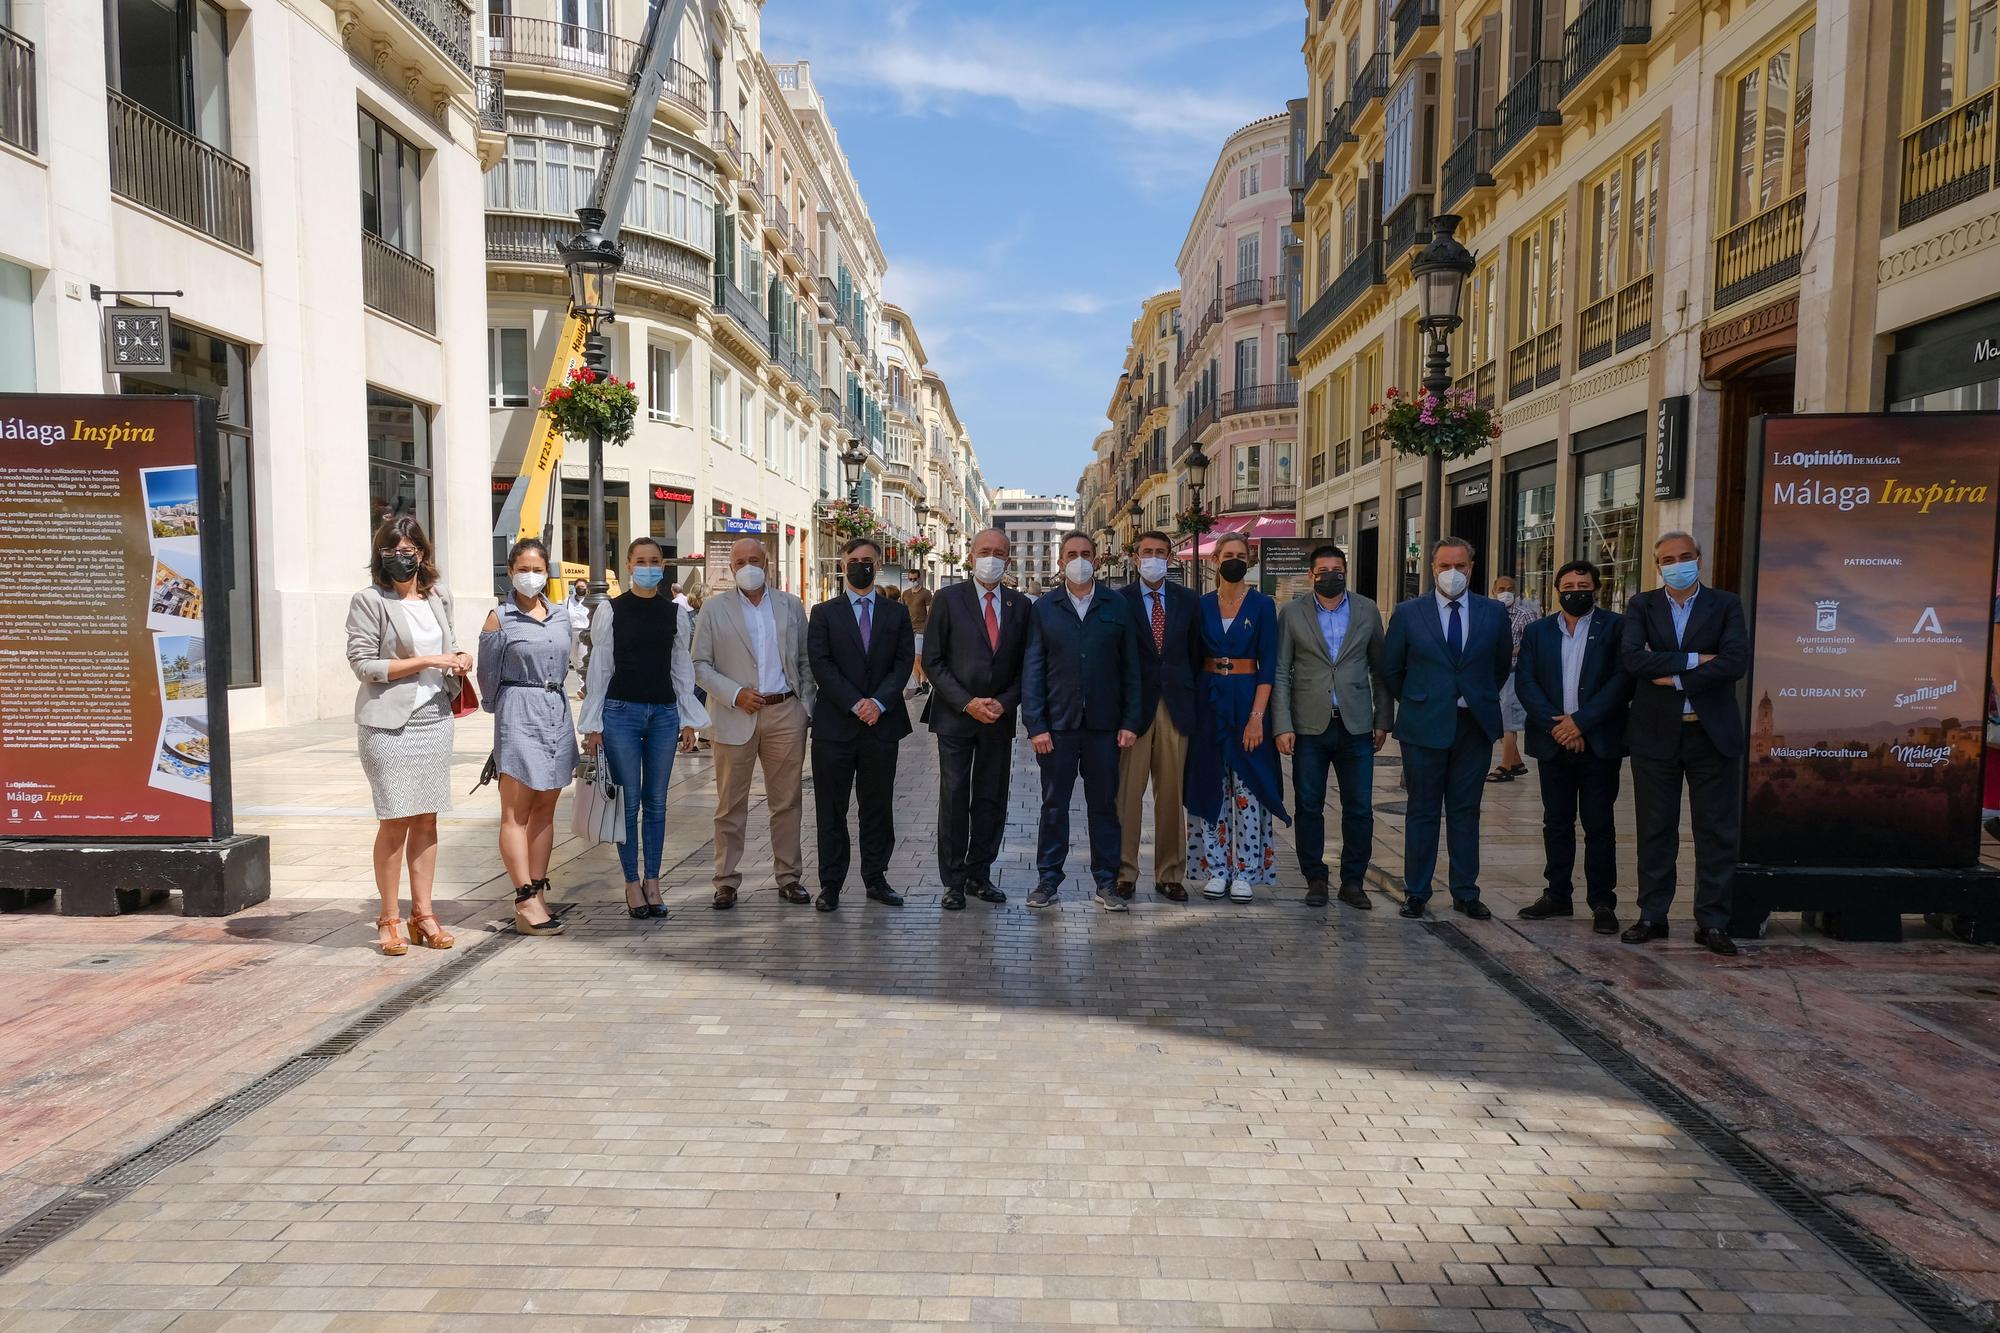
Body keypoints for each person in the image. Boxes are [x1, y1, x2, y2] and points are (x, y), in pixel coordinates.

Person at [1619, 531, 1750, 955]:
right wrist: (1698, 659)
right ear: (1658, 566)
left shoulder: (1726, 604)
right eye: (1669, 559)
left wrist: (1674, 675)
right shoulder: (1642, 605)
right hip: (1656, 734)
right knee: (1655, 829)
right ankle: (1652, 915)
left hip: (1711, 734)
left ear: (1700, 558)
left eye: (1686, 556)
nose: (1679, 564)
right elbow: (1633, 660)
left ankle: (1712, 921)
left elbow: (1735, 662)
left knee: (1716, 831)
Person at [345, 515, 470, 955]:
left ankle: (424, 914)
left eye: (408, 550)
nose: (400, 558)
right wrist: (427, 661)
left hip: (434, 719)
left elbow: (449, 644)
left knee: (427, 818)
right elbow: (364, 665)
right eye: (391, 551)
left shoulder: (439, 596)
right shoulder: (369, 600)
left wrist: (458, 658)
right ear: (381, 556)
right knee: (394, 820)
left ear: (422, 552)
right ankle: (388, 917)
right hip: (387, 724)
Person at [1381, 536, 1514, 920]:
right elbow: (1392, 668)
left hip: (1474, 725)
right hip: (1424, 726)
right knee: (1422, 811)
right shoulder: (1409, 612)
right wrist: (1421, 699)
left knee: (1465, 811)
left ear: (1471, 568)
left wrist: (1477, 696)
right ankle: (1417, 891)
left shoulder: (1492, 613)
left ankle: (1465, 891)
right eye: (1444, 566)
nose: (1452, 573)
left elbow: (1500, 665)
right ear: (1433, 568)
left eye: (1461, 566)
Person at [579, 538, 708, 921]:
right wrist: (593, 723)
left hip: (665, 713)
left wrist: (689, 717)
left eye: (655, 561)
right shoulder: (611, 610)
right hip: (620, 712)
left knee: (656, 803)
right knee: (628, 802)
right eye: (641, 561)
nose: (648, 566)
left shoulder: (674, 613)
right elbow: (600, 668)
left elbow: (681, 668)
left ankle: (654, 881)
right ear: (629, 565)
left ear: (663, 565)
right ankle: (632, 882)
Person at [691, 537, 815, 910]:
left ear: (768, 563)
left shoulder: (792, 607)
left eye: (755, 560)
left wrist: (806, 707)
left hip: (785, 714)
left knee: (787, 802)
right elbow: (698, 665)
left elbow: (807, 661)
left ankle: (789, 877)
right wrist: (734, 693)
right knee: (730, 804)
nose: (748, 566)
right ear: (731, 569)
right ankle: (725, 881)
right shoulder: (714, 609)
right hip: (734, 714)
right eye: (741, 561)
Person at [1021, 531, 1142, 911]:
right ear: (1060, 562)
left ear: (1097, 560)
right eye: (1072, 554)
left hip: (1105, 727)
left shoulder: (1116, 605)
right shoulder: (1044, 608)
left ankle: (1107, 881)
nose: (1079, 559)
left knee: (1104, 806)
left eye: (1085, 553)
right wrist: (1036, 725)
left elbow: (1131, 669)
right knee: (1054, 805)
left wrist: (1130, 721)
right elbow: (1033, 670)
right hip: (1057, 726)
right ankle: (1048, 880)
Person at [1514, 560, 1633, 934]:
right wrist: (1560, 726)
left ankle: (1602, 901)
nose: (1575, 590)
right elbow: (1527, 683)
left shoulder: (1615, 627)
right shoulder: (1537, 631)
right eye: (1568, 585)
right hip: (1553, 743)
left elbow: (1621, 681)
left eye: (1583, 584)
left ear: (1596, 588)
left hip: (1598, 741)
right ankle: (1557, 895)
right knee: (1557, 822)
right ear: (1557, 589)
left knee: (1599, 824)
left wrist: (1581, 722)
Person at [1274, 543, 1391, 909]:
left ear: (1346, 571)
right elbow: (1281, 672)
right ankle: (1316, 878)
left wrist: (1383, 718)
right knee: (1309, 806)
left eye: (1336, 569)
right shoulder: (1292, 613)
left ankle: (1353, 882)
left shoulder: (1367, 610)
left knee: (1359, 808)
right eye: (1323, 570)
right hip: (1309, 726)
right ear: (1311, 575)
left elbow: (1380, 668)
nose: (1330, 575)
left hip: (1356, 725)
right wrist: (1282, 724)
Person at [923, 528, 1033, 910]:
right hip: (955, 716)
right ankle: (952, 881)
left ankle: (979, 874)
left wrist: (1004, 703)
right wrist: (967, 702)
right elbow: (933, 660)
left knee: (991, 797)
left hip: (998, 720)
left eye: (1000, 552)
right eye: (985, 551)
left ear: (1009, 559)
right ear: (971, 557)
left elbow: (1026, 666)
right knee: (954, 797)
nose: (992, 558)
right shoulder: (947, 599)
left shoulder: (1020, 606)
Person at [807, 537, 916, 912]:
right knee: (831, 808)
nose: (861, 566)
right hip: (835, 726)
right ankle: (831, 884)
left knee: (877, 806)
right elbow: (821, 664)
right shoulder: (823, 613)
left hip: (882, 726)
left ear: (878, 564)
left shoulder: (896, 612)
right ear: (842, 566)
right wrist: (856, 703)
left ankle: (876, 878)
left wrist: (879, 702)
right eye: (854, 560)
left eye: (867, 560)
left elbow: (903, 663)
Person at [477, 539, 577, 937]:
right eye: (523, 568)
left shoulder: (560, 616)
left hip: (557, 711)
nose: (530, 575)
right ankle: (523, 896)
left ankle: (537, 889)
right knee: (515, 811)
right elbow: (487, 677)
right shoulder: (498, 619)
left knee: (545, 810)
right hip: (518, 712)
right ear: (510, 571)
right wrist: (505, 708)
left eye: (537, 568)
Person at [1184, 533, 1290, 902]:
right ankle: (1216, 868)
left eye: (1240, 555)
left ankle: (1245, 870)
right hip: (1208, 699)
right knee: (1211, 782)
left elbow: (1269, 666)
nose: (1234, 560)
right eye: (1227, 555)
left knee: (1248, 789)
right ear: (1215, 561)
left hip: (1247, 699)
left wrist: (1258, 717)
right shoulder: (1202, 605)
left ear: (1250, 559)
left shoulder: (1263, 605)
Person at [1115, 531, 1202, 902]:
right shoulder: (1119, 601)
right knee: (1127, 796)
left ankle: (1170, 873)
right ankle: (1123, 872)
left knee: (1171, 794)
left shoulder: (1188, 601)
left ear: (1171, 558)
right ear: (1135, 558)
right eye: (1146, 552)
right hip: (1133, 710)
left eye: (1160, 552)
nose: (1153, 557)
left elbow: (1197, 654)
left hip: (1175, 709)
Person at [1487, 574, 1541, 784]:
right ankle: (1516, 761)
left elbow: (1533, 644)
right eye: (1501, 588)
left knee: (1506, 721)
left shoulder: (1524, 615)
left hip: (1513, 673)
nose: (1505, 592)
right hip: (1494, 674)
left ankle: (1505, 766)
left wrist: (1509, 651)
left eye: (1509, 588)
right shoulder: (1489, 612)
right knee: (1498, 718)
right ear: (1494, 590)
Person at [902, 570, 934, 697]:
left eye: (915, 579)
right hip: (910, 629)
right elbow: (903, 612)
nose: (913, 581)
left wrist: (929, 629)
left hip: (922, 629)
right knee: (913, 660)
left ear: (919, 578)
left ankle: (925, 682)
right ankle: (919, 684)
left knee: (917, 658)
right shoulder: (905, 594)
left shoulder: (926, 593)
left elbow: (929, 612)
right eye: (910, 579)